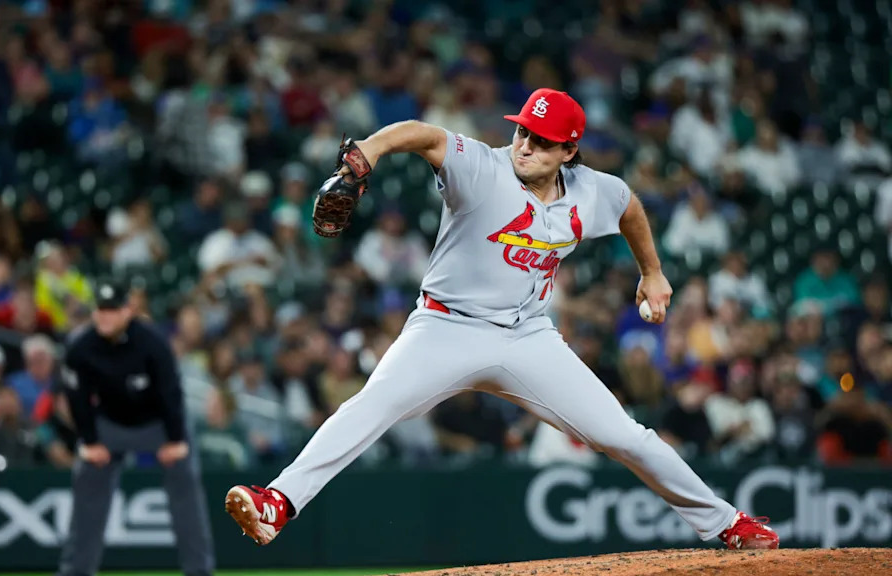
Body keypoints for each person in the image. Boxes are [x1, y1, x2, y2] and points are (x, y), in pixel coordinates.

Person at [224, 88, 779, 551]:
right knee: (372, 405)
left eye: (542, 140)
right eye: (522, 132)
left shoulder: (591, 190)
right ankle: (279, 501)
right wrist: (368, 152)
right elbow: (424, 133)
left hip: (527, 336)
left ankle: (726, 523)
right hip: (445, 327)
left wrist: (651, 272)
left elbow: (630, 205)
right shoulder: (483, 167)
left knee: (623, 435)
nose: (526, 144)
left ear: (570, 149)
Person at [48, 280, 217, 576]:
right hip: (110, 424)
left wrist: (176, 439)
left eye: (113, 310)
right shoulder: (80, 346)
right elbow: (76, 397)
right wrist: (89, 440)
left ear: (128, 311)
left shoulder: (152, 342)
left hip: (158, 423)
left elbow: (171, 392)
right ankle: (76, 574)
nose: (106, 316)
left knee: (185, 484)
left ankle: (200, 574)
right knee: (88, 484)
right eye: (101, 309)